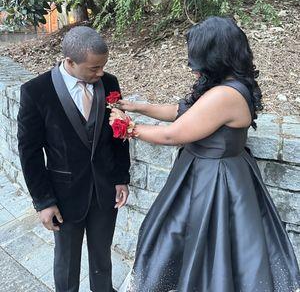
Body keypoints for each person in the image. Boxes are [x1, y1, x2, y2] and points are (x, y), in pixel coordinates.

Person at [110, 17, 300, 292]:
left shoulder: (226, 95)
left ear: (215, 56)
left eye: (196, 58)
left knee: (212, 248)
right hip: (204, 171)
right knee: (180, 238)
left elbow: (172, 134)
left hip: (217, 180)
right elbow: (180, 111)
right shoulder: (222, 84)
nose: (192, 66)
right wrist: (139, 107)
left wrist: (128, 127)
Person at [17, 26, 130, 292]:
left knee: (102, 255)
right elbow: (29, 152)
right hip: (63, 196)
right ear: (69, 61)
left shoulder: (109, 84)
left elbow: (118, 135)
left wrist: (121, 178)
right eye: (94, 68)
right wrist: (43, 201)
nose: (100, 73)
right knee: (66, 260)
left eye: (103, 66)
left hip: (104, 191)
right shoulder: (35, 92)